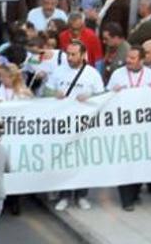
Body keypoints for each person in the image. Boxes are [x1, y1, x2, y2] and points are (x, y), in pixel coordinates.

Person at [46, 40, 104, 211]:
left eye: (73, 54)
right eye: (68, 54)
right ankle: (64, 195)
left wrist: (89, 97)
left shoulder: (92, 74)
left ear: (82, 55)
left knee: (82, 160)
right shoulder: (58, 71)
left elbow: (101, 96)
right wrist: (53, 93)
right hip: (63, 125)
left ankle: (81, 195)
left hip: (84, 125)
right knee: (64, 160)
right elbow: (46, 91)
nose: (69, 58)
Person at [107, 46, 151, 211]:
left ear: (142, 60)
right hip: (123, 127)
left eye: (133, 58)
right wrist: (113, 93)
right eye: (128, 57)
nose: (128, 60)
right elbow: (106, 97)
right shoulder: (117, 74)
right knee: (125, 163)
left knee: (140, 164)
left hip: (143, 128)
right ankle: (126, 199)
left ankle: (135, 193)